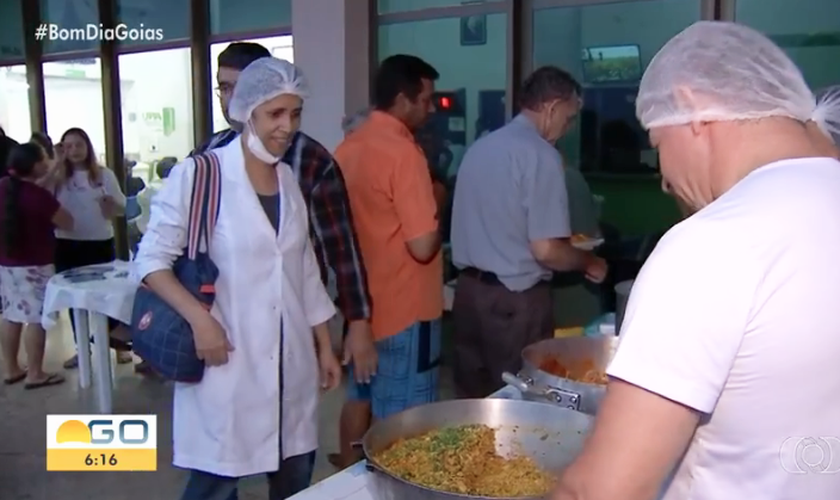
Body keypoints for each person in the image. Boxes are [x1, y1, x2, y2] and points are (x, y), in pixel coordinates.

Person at [551, 21, 840, 500]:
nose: (665, 180)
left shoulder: (713, 244)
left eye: (659, 145)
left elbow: (602, 491)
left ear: (692, 107)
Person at [133, 57, 342, 500]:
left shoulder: (288, 180)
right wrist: (199, 320)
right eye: (275, 114)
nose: (287, 126)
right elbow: (150, 260)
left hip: (291, 365)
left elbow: (302, 269)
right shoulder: (200, 175)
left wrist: (324, 344)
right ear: (246, 111)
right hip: (227, 362)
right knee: (215, 483)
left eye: (295, 113)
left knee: (294, 475)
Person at [191, 41, 375, 402]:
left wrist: (358, 322)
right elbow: (175, 250)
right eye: (222, 88)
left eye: (238, 87)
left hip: (290, 323)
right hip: (223, 320)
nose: (230, 99)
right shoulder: (206, 158)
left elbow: (340, 251)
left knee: (287, 424)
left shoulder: (307, 163)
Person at [449, 66, 607, 398]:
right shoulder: (541, 156)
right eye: (569, 116)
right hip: (514, 303)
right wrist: (589, 263)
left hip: (467, 296)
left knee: (473, 403)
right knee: (520, 401)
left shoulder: (480, 148)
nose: (569, 127)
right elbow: (547, 250)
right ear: (552, 108)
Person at [334, 54, 443, 436]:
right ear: (403, 99)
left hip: (361, 309)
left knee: (360, 395)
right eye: (425, 100)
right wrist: (438, 207)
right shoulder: (404, 153)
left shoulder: (347, 149)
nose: (431, 109)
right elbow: (423, 245)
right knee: (405, 425)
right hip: (407, 309)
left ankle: (349, 483)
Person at [46, 128, 132, 367]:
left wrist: (111, 205)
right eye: (68, 146)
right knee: (75, 300)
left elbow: (122, 207)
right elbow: (39, 197)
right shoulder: (57, 177)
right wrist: (55, 164)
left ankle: (118, 346)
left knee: (107, 296)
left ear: (88, 147)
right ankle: (81, 348)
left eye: (78, 145)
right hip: (66, 242)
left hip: (99, 242)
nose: (73, 151)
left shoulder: (103, 175)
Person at [0, 143, 74, 388]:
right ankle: (35, 373)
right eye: (44, 158)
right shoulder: (39, 197)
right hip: (35, 267)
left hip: (7, 265)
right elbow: (68, 222)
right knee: (36, 318)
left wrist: (55, 167)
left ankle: (11, 369)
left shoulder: (5, 187)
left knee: (11, 315)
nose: (47, 161)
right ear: (34, 165)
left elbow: (29, 189)